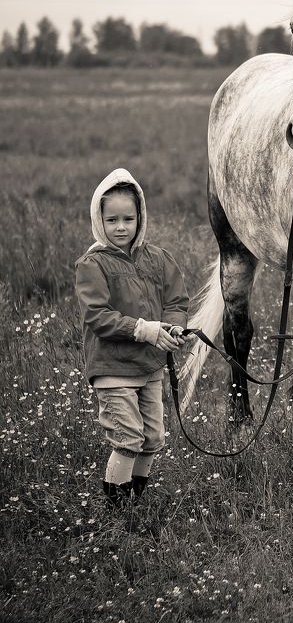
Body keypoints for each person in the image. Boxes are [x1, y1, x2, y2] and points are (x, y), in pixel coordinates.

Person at [75, 168, 189, 506]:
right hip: (113, 370)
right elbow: (98, 317)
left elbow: (176, 301)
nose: (121, 227)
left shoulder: (158, 258)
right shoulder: (92, 265)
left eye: (128, 218)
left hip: (150, 368)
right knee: (127, 438)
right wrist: (144, 329)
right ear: (99, 220)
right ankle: (117, 509)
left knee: (152, 438)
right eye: (112, 220)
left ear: (141, 217)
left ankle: (135, 499)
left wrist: (171, 327)